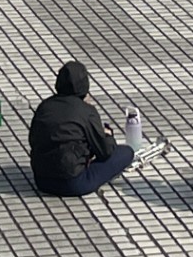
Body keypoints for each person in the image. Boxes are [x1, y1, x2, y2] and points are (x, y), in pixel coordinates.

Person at [28, 61, 139, 197]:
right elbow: (105, 152)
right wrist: (108, 136)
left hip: (41, 180)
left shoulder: (44, 106)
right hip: (73, 183)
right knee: (126, 153)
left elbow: (33, 139)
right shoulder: (87, 111)